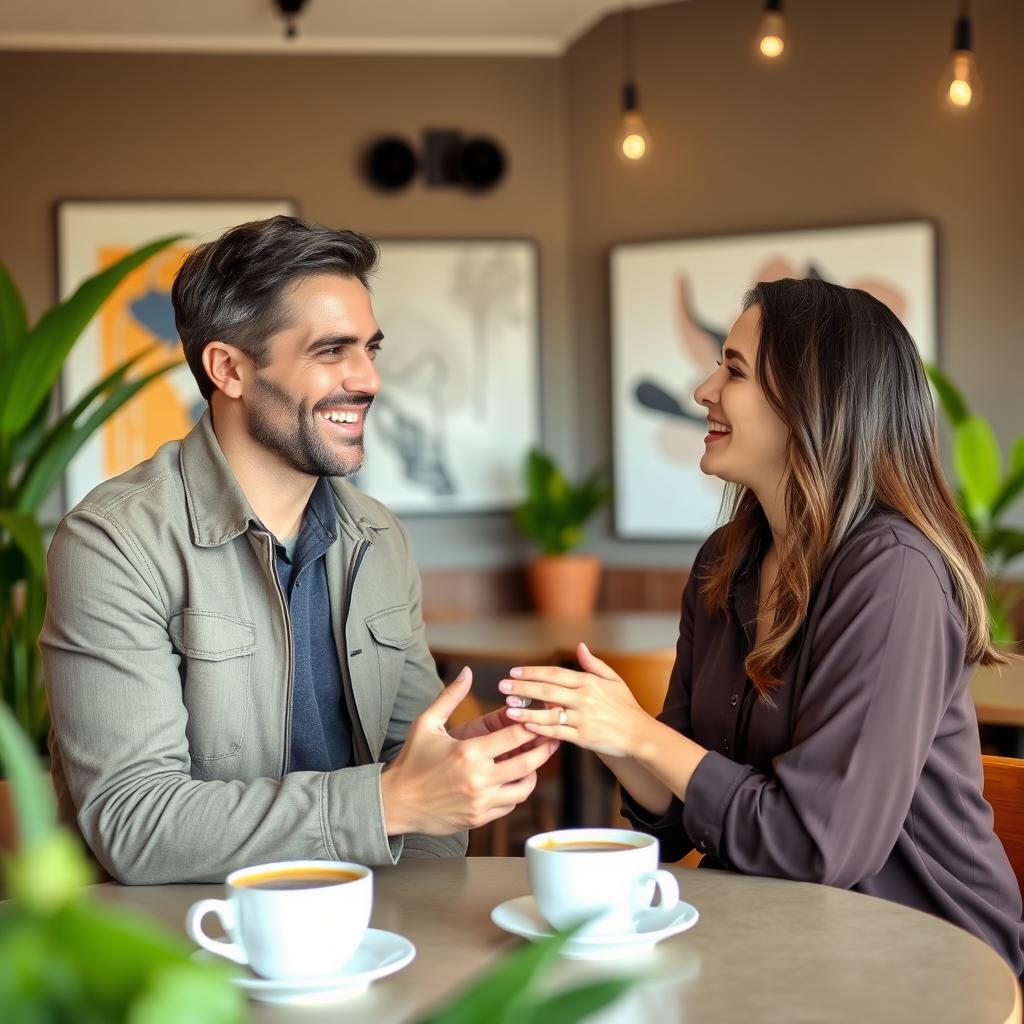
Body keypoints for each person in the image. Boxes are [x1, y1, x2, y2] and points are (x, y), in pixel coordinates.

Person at [497, 277, 1024, 973]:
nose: (703, 390)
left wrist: (640, 735)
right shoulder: (728, 559)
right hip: (768, 936)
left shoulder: (893, 575)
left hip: (917, 957)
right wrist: (602, 726)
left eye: (734, 369)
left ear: (811, 399)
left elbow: (821, 846)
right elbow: (682, 805)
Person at [41, 215, 556, 884]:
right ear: (229, 369)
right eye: (332, 350)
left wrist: (450, 771)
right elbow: (133, 823)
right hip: (178, 955)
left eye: (371, 348)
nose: (368, 379)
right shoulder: (114, 542)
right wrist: (387, 802)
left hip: (369, 939)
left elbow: (412, 775)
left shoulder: (380, 539)